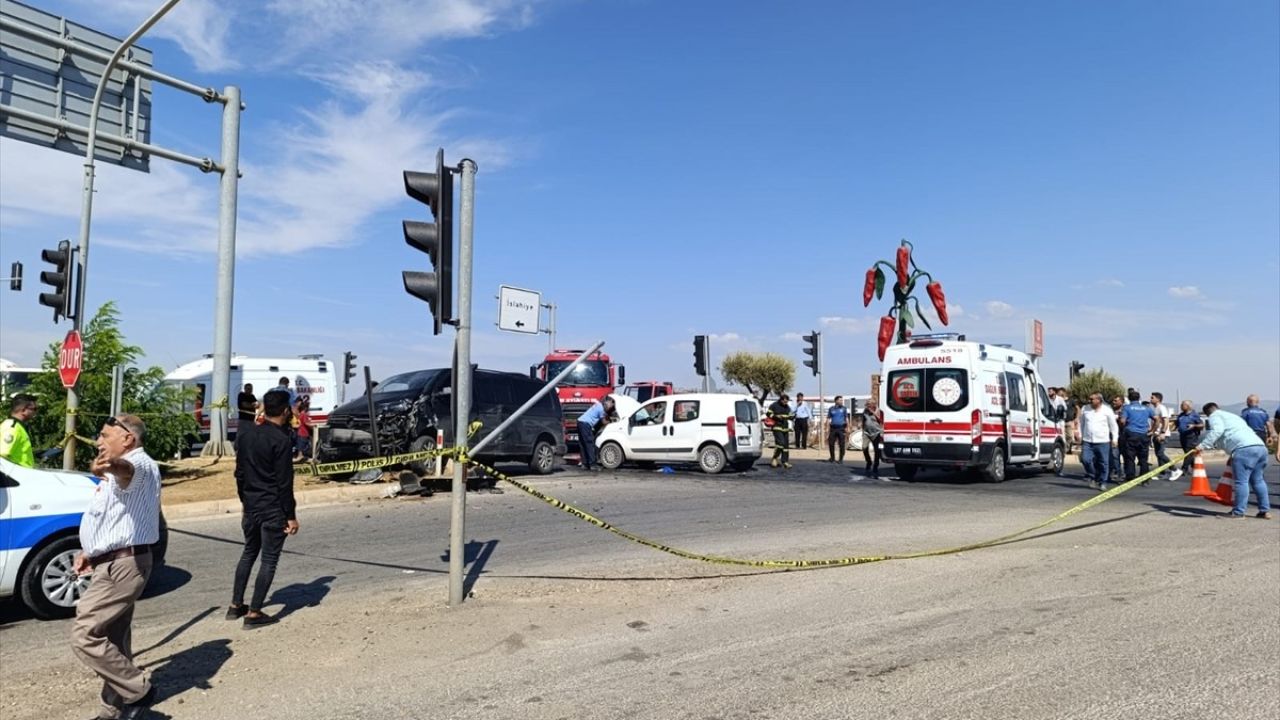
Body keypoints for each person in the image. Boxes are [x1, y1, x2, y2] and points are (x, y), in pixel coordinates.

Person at [70, 414, 162, 720]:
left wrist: (112, 465)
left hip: (124, 565)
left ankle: (139, 688)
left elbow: (128, 471)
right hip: (112, 561)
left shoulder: (140, 464)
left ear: (128, 439)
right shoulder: (115, 473)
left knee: (85, 634)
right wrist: (89, 551)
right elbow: (111, 517)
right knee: (114, 641)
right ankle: (112, 710)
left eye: (105, 435)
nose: (99, 441)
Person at [229, 390, 301, 627]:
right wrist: (290, 516)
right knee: (269, 559)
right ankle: (255, 612)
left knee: (249, 552)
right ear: (285, 411)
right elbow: (284, 483)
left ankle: (235, 605)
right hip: (272, 509)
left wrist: (245, 501)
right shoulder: (281, 441)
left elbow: (239, 474)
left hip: (250, 506)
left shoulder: (247, 435)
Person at [1196, 402, 1271, 520]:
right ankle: (1264, 510)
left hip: (1244, 449)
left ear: (1207, 413)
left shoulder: (1214, 417)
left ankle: (1238, 512)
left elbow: (1217, 431)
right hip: (1260, 447)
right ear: (1217, 408)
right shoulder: (1233, 417)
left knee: (1241, 482)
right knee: (1258, 480)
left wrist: (1202, 446)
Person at [1075, 393, 1119, 491]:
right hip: (1088, 441)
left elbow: (1113, 426)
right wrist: (1080, 435)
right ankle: (1093, 476)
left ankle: (1103, 482)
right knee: (1085, 459)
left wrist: (1115, 439)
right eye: (1089, 399)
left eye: (1092, 399)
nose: (1089, 401)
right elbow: (1081, 423)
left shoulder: (1107, 410)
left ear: (1099, 400)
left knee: (1104, 462)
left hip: (1103, 441)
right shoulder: (1085, 409)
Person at [1118, 389, 1156, 484]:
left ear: (1129, 398)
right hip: (1144, 435)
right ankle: (1145, 479)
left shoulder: (1127, 408)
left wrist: (1123, 427)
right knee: (1143, 458)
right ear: (1139, 398)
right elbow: (1157, 419)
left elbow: (1122, 421)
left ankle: (1130, 477)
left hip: (1131, 434)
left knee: (1130, 457)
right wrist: (1152, 430)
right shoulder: (1146, 408)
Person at [575, 396, 614, 471]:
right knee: (590, 444)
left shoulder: (598, 405)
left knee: (583, 444)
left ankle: (585, 464)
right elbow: (603, 422)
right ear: (607, 403)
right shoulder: (601, 409)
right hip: (585, 424)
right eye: (611, 405)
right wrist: (611, 421)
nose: (610, 408)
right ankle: (593, 464)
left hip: (580, 422)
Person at [0, 393, 37, 468]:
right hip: (14, 477)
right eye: (34, 409)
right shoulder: (12, 428)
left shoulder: (16, 426)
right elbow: (3, 455)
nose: (35, 412)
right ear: (23, 410)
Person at [1172, 400, 1203, 481]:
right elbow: (1177, 423)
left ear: (1188, 406)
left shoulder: (1194, 415)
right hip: (1182, 436)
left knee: (1188, 453)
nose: (1181, 406)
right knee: (1187, 452)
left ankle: (1184, 469)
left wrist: (1194, 425)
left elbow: (1202, 425)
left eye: (1183, 405)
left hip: (1191, 436)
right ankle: (1194, 466)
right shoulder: (1181, 415)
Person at [1149, 392, 1173, 478]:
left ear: (1158, 399)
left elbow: (1166, 420)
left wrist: (1163, 433)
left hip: (1163, 435)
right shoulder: (1155, 409)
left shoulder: (1161, 408)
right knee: (1158, 455)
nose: (1150, 399)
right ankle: (1162, 473)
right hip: (1156, 434)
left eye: (1152, 397)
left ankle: (1174, 469)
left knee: (1160, 454)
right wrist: (1152, 431)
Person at [766, 394, 793, 470]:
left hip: (785, 428)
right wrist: (775, 416)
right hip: (777, 426)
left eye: (786, 401)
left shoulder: (787, 407)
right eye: (784, 401)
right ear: (781, 400)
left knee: (785, 446)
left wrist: (792, 417)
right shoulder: (774, 405)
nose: (785, 403)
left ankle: (785, 462)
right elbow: (768, 414)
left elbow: (790, 415)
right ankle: (775, 458)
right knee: (780, 443)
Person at [860, 400, 885, 479]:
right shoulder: (865, 411)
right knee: (864, 447)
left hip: (876, 433)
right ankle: (869, 461)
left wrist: (874, 413)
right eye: (867, 405)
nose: (867, 406)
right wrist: (863, 430)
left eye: (869, 405)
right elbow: (863, 421)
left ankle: (876, 466)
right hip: (867, 432)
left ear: (873, 405)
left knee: (877, 450)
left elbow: (881, 421)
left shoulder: (879, 411)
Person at [1108, 395, 1126, 486]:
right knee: (1114, 456)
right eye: (1113, 401)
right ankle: (1116, 473)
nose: (1114, 402)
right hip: (1113, 436)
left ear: (1121, 402)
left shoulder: (1125, 411)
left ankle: (1123, 473)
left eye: (1116, 400)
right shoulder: (1110, 411)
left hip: (1124, 436)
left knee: (1126, 456)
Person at [826, 396, 850, 464]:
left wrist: (848, 427)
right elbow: (828, 418)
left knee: (842, 444)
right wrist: (827, 427)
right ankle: (832, 458)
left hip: (841, 428)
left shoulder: (844, 408)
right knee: (831, 443)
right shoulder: (831, 409)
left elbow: (846, 418)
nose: (841, 402)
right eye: (840, 400)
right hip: (833, 428)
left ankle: (841, 459)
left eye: (842, 400)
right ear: (836, 401)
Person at [292, 396, 313, 461]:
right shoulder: (304, 414)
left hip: (300, 432)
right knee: (301, 445)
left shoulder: (300, 414)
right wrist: (313, 426)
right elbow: (306, 423)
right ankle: (300, 456)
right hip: (303, 433)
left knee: (300, 445)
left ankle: (301, 456)